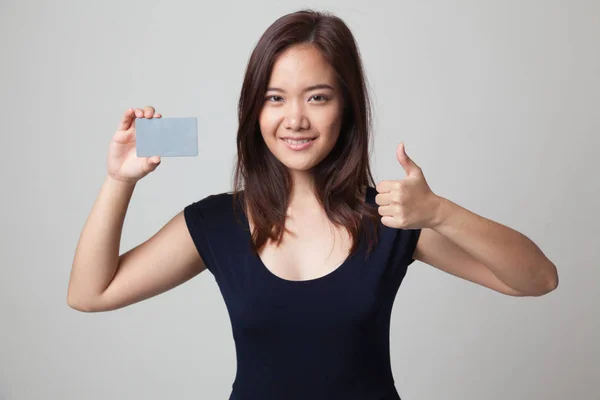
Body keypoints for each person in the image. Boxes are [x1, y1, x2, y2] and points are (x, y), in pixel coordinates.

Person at [67, 9, 559, 400]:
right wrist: (119, 180)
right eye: (275, 98)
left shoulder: (392, 216)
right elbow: (90, 293)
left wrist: (441, 213)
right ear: (254, 110)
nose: (295, 119)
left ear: (346, 108)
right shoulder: (218, 222)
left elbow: (538, 279)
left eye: (318, 97)